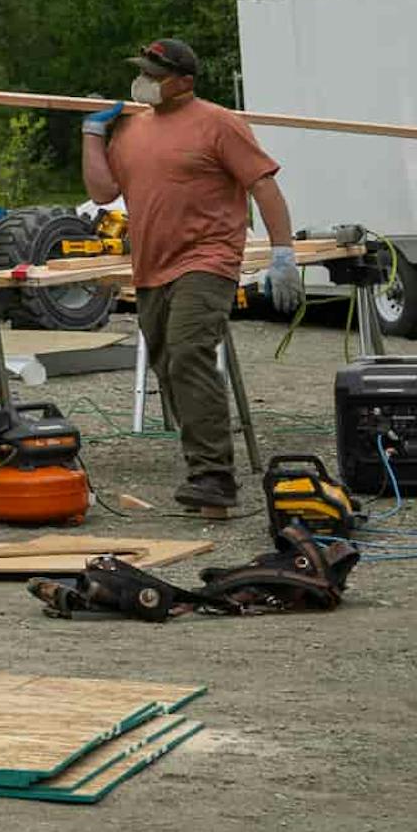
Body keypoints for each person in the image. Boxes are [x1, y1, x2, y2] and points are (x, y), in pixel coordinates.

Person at [83, 38, 297, 518]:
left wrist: (283, 252)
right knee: (168, 366)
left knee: (188, 355)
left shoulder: (219, 124)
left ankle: (214, 479)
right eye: (144, 73)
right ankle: (204, 472)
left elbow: (262, 184)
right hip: (152, 267)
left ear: (184, 81)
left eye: (155, 75)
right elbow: (101, 191)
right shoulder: (132, 131)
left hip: (207, 259)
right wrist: (91, 135)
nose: (145, 82)